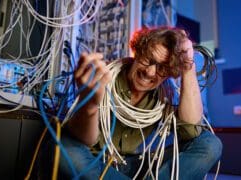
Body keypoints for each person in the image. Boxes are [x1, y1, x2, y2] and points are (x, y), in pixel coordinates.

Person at [60, 27, 222, 179]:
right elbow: (83, 140)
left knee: (210, 144)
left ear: (170, 73)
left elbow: (191, 133)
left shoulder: (165, 95)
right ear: (138, 52)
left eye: (162, 68)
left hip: (136, 166)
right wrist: (90, 105)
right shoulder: (103, 80)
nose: (150, 72)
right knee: (63, 151)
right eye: (148, 59)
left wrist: (187, 67)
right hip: (95, 163)